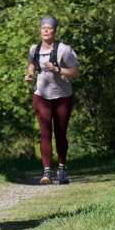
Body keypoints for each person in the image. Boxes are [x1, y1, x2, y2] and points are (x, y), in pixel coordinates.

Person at [24, 14, 79, 185]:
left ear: (55, 31)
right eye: (43, 28)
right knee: (45, 132)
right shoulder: (34, 49)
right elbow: (31, 63)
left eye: (50, 28)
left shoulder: (64, 50)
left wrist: (58, 70)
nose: (46, 30)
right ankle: (46, 171)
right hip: (41, 96)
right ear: (40, 30)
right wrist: (30, 73)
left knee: (60, 133)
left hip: (63, 96)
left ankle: (62, 169)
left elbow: (75, 72)